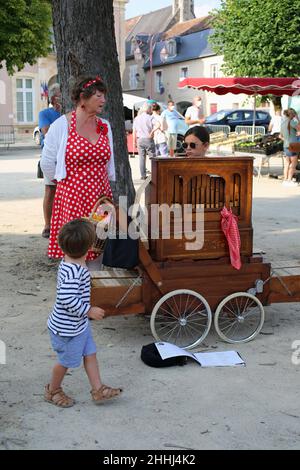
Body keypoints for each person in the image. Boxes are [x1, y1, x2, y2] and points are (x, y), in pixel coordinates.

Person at [44, 219, 122, 407]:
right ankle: (52, 390)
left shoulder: (71, 262)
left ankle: (98, 389)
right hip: (67, 330)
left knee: (90, 354)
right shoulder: (74, 272)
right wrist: (88, 310)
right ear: (89, 247)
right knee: (65, 362)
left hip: (78, 326)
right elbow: (66, 298)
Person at [41, 75, 115, 260]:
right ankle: (75, 287)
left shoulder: (104, 126)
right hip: (73, 198)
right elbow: (48, 163)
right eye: (98, 95)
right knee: (76, 251)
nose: (103, 100)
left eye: (104, 95)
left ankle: (93, 288)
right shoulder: (61, 125)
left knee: (97, 248)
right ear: (83, 98)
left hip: (100, 198)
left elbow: (108, 163)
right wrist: (65, 188)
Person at [38, 84, 61, 238]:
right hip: (51, 157)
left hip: (67, 157)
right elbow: (46, 133)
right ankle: (48, 224)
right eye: (60, 94)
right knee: (50, 190)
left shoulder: (70, 113)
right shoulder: (45, 113)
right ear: (53, 98)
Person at [132, 102, 155, 179]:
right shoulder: (150, 117)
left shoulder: (136, 118)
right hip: (148, 138)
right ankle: (154, 173)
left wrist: (134, 142)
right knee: (152, 157)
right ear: (148, 109)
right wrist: (152, 132)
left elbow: (134, 131)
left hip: (139, 139)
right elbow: (158, 124)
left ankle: (143, 175)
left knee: (141, 158)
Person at [280, 108, 299, 187]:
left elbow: (280, 136)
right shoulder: (292, 122)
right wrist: (297, 119)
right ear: (292, 115)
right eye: (294, 114)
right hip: (293, 145)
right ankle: (289, 180)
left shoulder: (283, 123)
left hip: (285, 145)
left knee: (287, 163)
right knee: (294, 163)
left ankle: (285, 180)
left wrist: (287, 139)